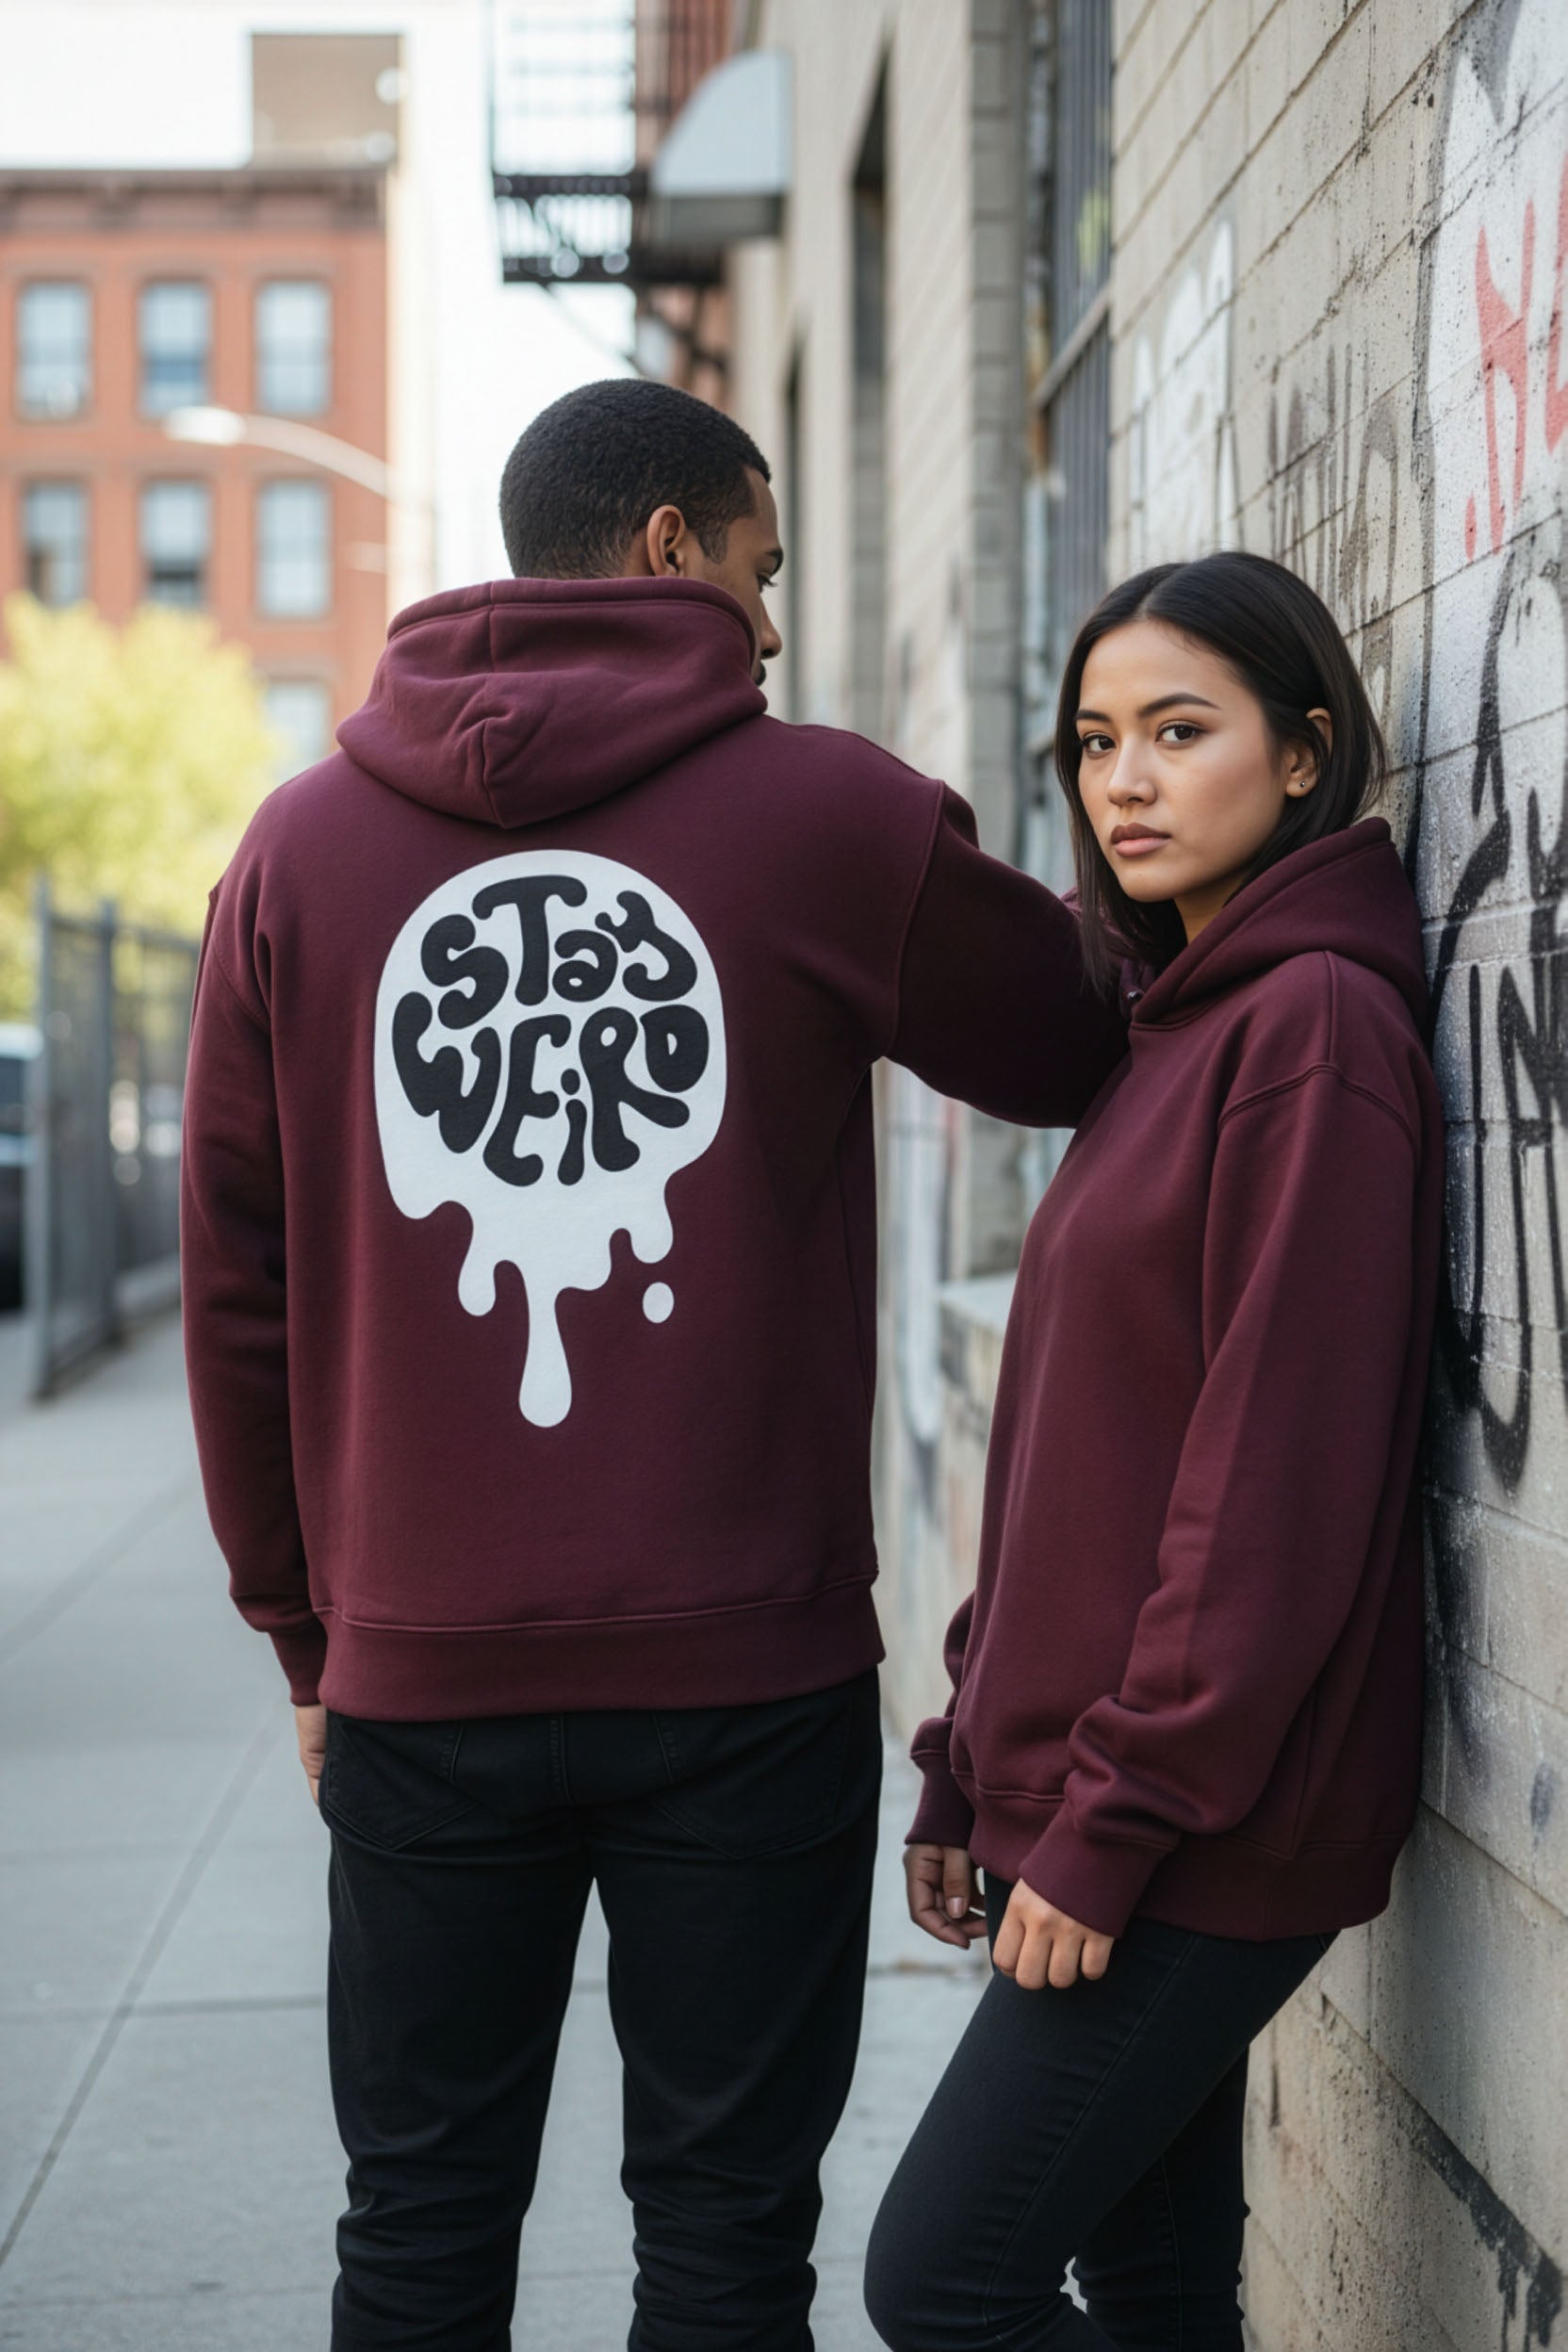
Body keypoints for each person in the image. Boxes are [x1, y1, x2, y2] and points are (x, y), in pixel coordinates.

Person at [179, 377, 1128, 2352]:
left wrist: (302, 1628)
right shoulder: (827, 814)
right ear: (677, 547)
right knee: (723, 2236)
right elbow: (1066, 1035)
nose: (772, 628)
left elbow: (235, 1284)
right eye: (764, 568)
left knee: (417, 2225)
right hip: (743, 1681)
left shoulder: (291, 855)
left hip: (420, 1677)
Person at [864, 550, 1444, 2352]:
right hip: (1122, 1793)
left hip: (1205, 1820)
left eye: (1179, 731)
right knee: (1154, 2281)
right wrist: (971, 1754)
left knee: (944, 2282)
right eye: (1095, 737)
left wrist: (1108, 1822)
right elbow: (1071, 1447)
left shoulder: (1314, 1030)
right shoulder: (1168, 1026)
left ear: (1303, 756)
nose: (1122, 778)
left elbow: (1270, 1485)